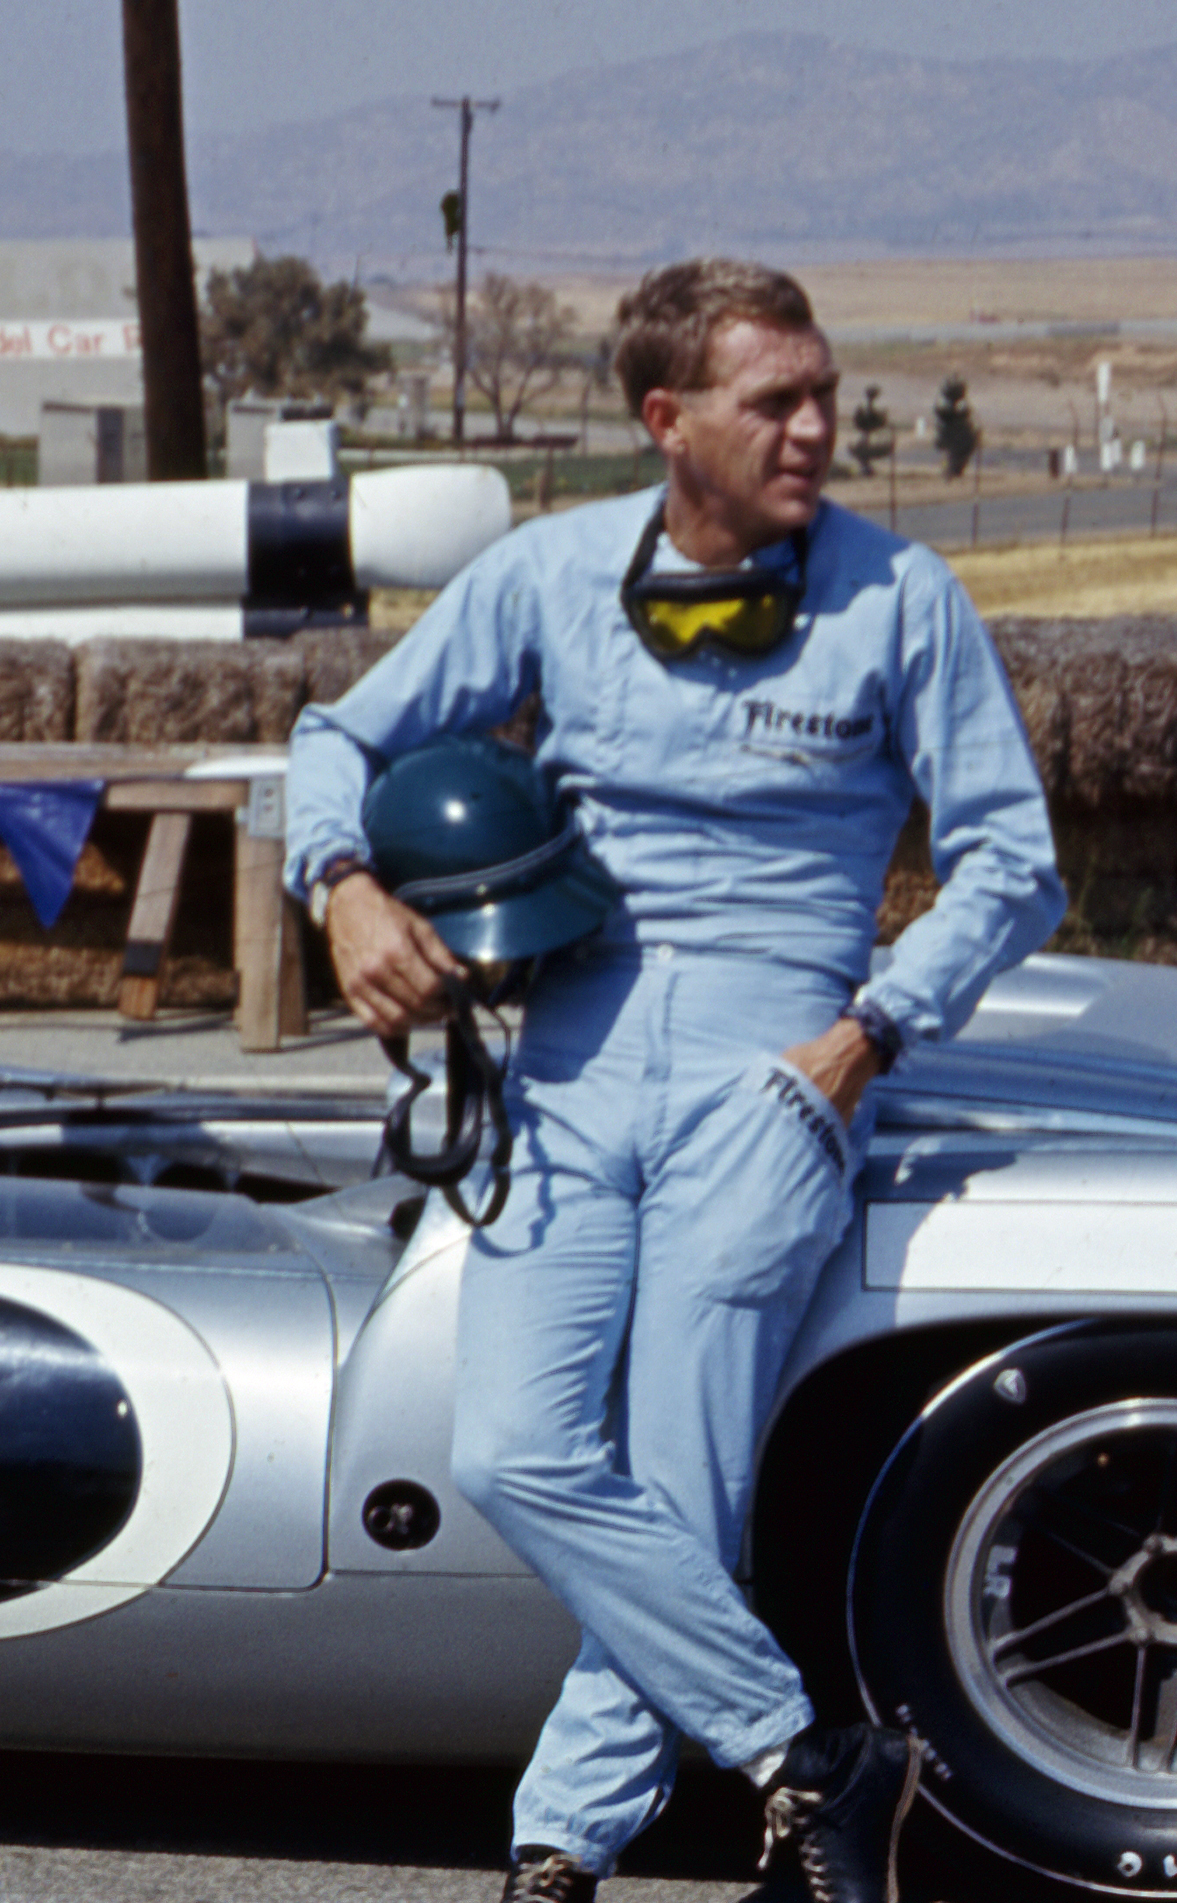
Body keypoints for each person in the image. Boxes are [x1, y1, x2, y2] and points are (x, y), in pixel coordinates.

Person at [285, 259, 1064, 1903]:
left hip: (780, 1063)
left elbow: (1012, 862)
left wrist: (869, 1035)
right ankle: (812, 1758)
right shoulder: (548, 574)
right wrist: (342, 886)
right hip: (566, 1053)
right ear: (668, 420)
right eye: (773, 401)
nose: (814, 428)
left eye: (823, 394)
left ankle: (559, 1849)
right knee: (514, 1448)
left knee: (682, 1465)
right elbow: (335, 739)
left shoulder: (902, 598)